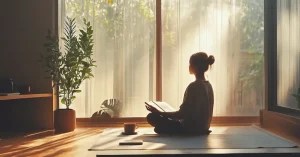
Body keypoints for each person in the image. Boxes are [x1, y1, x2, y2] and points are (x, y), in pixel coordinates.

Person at [146, 52, 215, 135]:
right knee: (160, 127)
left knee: (151, 117)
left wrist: (159, 112)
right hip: (204, 127)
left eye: (190, 64)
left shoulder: (194, 86)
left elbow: (181, 114)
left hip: (190, 128)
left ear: (195, 67)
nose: (189, 66)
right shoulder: (209, 85)